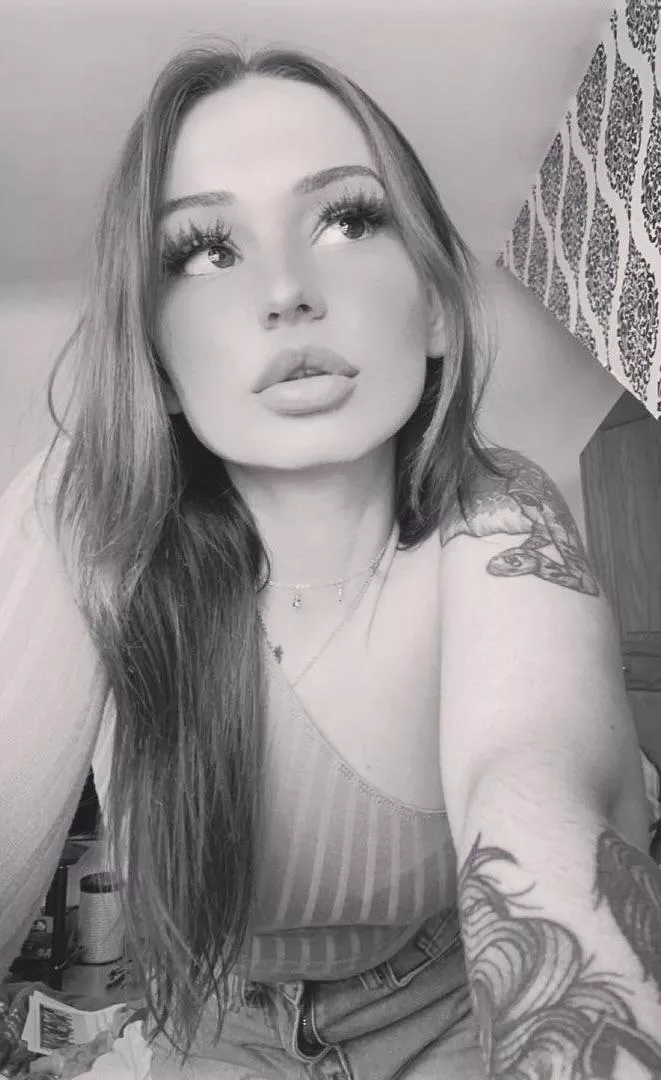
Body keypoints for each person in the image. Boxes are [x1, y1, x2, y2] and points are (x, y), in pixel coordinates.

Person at [2, 37, 661, 1080]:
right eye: (205, 250)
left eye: (347, 220)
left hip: (447, 1013)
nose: (285, 291)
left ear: (435, 306)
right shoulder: (93, 521)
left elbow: (535, 791)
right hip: (211, 1024)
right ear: (157, 362)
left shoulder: (499, 521)